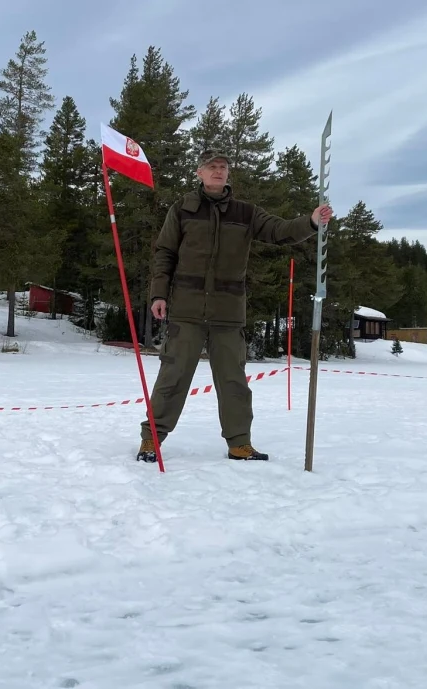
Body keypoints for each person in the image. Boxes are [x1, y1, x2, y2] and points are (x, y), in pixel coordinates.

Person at [135, 149, 333, 463]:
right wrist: (158, 294)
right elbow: (164, 253)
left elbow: (280, 231)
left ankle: (239, 443)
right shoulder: (182, 209)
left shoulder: (245, 213)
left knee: (234, 381)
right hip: (186, 310)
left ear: (228, 174)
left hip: (228, 314)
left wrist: (310, 221)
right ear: (199, 172)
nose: (218, 171)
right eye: (212, 166)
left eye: (223, 167)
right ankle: (152, 439)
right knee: (173, 377)